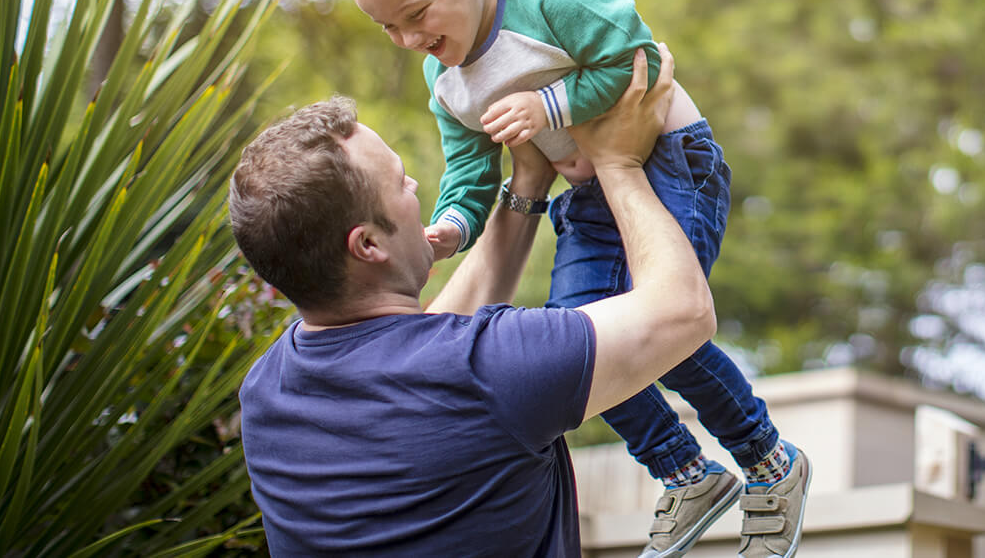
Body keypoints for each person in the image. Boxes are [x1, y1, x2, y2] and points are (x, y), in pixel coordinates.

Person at [332, 0, 810, 558]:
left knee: (660, 324)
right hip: (590, 197)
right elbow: (473, 174)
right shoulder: (447, 84)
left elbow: (634, 53)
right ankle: (685, 470)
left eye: (416, 14)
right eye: (389, 28)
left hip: (673, 161)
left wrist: (549, 107)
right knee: (577, 339)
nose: (412, 40)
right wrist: (451, 228)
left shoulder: (543, 2)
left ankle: (770, 462)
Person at [232, 49, 718, 555]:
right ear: (368, 245)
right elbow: (684, 310)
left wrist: (527, 184)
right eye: (400, 182)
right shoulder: (491, 368)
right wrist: (617, 162)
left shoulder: (266, 393)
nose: (416, 186)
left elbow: (424, 354)